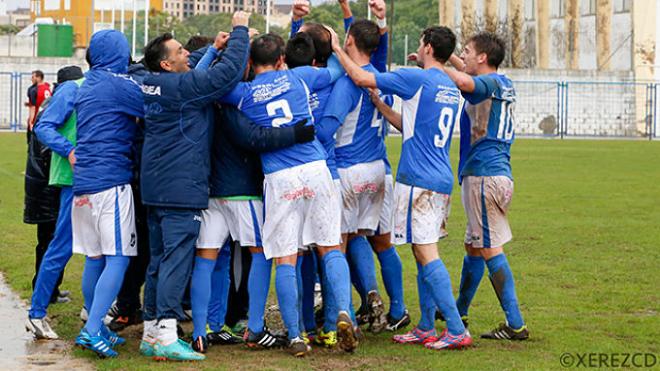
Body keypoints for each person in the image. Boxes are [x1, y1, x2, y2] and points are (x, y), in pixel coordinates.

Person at [333, 25, 473, 350]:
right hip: (440, 177)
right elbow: (409, 124)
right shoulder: (448, 85)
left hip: (418, 180)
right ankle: (425, 326)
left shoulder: (416, 78)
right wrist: (381, 107)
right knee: (419, 250)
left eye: (422, 42)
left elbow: (361, 77)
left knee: (426, 252)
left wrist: (339, 48)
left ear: (425, 47)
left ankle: (454, 328)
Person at [220, 33, 356, 357]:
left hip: (280, 177)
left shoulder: (243, 92)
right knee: (330, 247)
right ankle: (343, 312)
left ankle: (296, 336)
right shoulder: (299, 75)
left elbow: (216, 82)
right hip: (316, 167)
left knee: (285, 258)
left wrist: (230, 50)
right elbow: (336, 70)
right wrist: (335, 44)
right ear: (282, 59)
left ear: (251, 63)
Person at [187, 37, 315, 352]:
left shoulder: (202, 96)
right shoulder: (231, 100)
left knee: (206, 258)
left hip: (210, 190)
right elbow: (251, 138)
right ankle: (255, 327)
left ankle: (201, 330)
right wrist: (295, 133)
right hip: (241, 189)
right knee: (262, 253)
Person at [139, 11, 250, 362]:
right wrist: (240, 30)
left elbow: (198, 68)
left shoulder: (154, 81)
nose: (187, 52)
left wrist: (213, 49)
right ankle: (169, 334)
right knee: (176, 261)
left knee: (158, 260)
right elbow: (226, 75)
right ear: (166, 64)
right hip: (181, 189)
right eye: (180, 52)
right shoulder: (183, 87)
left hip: (157, 186)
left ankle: (151, 331)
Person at [442, 32, 529, 341]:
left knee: (490, 249)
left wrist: (435, 64)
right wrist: (449, 59)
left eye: (466, 51)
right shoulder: (503, 83)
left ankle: (515, 324)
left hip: (484, 175)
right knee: (474, 247)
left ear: (482, 58)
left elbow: (466, 83)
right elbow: (468, 76)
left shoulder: (488, 83)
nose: (462, 55)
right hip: (497, 174)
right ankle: (459, 310)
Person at [71, 29, 145, 358]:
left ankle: (95, 323)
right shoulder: (120, 84)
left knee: (94, 256)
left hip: (83, 184)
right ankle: (92, 329)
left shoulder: (87, 85)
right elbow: (154, 105)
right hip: (110, 181)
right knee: (119, 257)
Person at [25, 66, 84, 340]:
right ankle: (37, 311)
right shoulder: (69, 92)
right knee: (58, 244)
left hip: (85, 181)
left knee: (102, 252)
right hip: (66, 182)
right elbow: (40, 128)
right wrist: (69, 151)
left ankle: (94, 317)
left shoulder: (89, 88)